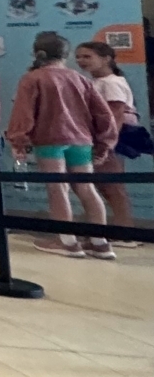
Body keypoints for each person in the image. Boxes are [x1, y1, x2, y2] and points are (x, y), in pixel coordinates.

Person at [8, 31, 117, 257]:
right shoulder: (80, 78)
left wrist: (18, 140)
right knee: (87, 187)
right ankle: (100, 242)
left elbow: (23, 114)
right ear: (66, 54)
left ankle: (67, 242)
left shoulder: (32, 78)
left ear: (36, 53)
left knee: (57, 188)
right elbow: (104, 115)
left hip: (49, 140)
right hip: (82, 140)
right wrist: (104, 144)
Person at [76, 40, 147, 245]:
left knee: (113, 187)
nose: (81, 61)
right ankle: (110, 230)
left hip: (111, 140)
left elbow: (114, 117)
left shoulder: (111, 83)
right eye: (78, 57)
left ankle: (125, 233)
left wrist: (106, 144)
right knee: (103, 186)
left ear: (106, 58)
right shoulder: (97, 82)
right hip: (102, 138)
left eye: (87, 56)